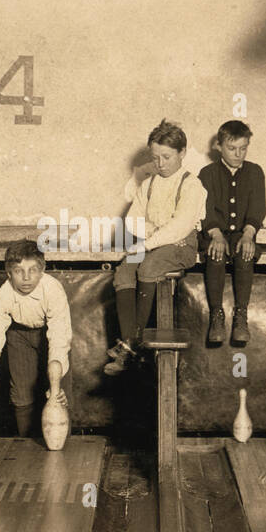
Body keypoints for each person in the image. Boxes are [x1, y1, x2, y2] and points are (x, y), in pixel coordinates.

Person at [104, 119, 207, 375]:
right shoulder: (148, 184)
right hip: (156, 243)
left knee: (148, 267)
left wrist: (150, 238)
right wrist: (152, 234)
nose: (160, 164)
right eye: (155, 157)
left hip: (180, 247)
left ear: (182, 153)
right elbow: (133, 221)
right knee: (125, 270)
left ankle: (133, 344)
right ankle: (128, 346)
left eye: (167, 157)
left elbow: (180, 226)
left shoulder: (191, 185)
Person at [0, 240, 72, 438]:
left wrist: (57, 380)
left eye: (33, 270)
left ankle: (62, 446)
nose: (26, 278)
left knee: (59, 395)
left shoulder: (53, 289)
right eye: (19, 271)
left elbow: (59, 336)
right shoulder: (2, 295)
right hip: (18, 336)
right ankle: (26, 448)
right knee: (21, 395)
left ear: (43, 269)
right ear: (8, 273)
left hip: (50, 337)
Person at [198, 120, 266, 345]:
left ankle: (240, 316)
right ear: (218, 146)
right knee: (215, 255)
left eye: (243, 148)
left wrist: (249, 235)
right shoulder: (207, 173)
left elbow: (258, 208)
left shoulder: (255, 172)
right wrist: (215, 235)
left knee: (245, 254)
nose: (238, 154)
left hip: (242, 233)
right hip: (214, 232)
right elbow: (205, 210)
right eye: (232, 148)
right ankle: (216, 316)